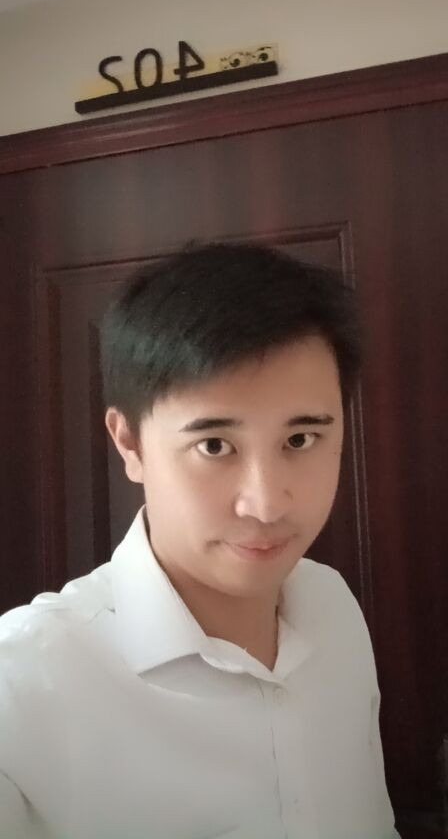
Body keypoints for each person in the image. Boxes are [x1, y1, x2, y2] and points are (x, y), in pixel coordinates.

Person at [0, 240, 400, 839]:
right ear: (129, 443)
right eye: (214, 446)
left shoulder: (332, 607)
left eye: (300, 440)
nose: (265, 504)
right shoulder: (22, 684)